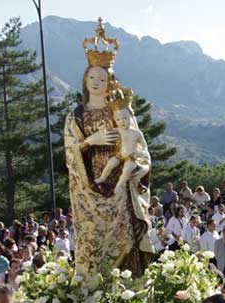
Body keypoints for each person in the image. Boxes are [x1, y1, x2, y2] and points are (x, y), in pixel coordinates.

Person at [64, 26, 153, 276]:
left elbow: (140, 148)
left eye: (102, 79)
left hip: (120, 190)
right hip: (88, 190)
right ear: (85, 79)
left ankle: (128, 295)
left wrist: (136, 168)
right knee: (94, 245)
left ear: (109, 81)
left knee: (126, 241)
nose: (96, 83)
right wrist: (91, 140)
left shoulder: (120, 110)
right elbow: (71, 152)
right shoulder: (76, 116)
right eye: (92, 78)